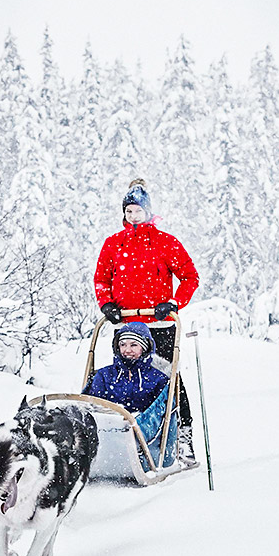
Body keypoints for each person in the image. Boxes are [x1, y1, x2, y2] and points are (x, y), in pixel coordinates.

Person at [92, 178, 199, 458]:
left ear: (148, 212)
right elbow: (101, 280)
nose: (133, 216)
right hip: (126, 325)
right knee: (122, 381)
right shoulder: (114, 244)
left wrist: (173, 303)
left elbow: (190, 277)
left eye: (138, 211)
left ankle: (183, 435)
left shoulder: (165, 243)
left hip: (160, 326)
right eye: (128, 212)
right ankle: (118, 435)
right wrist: (107, 305)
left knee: (168, 380)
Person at [82, 322, 170, 416]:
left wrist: (133, 422)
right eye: (123, 345)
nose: (127, 350)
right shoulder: (104, 375)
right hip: (106, 426)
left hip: (143, 428)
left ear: (144, 348)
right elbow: (91, 407)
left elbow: (158, 415)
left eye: (133, 345)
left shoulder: (159, 379)